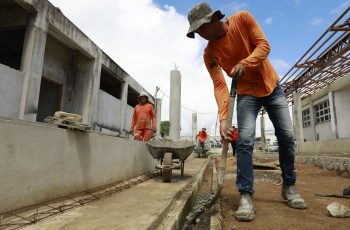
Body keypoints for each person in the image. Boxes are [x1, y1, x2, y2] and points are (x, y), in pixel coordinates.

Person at [186, 2, 306, 222]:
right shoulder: (210, 53)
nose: (201, 35)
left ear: (214, 19)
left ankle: (289, 186)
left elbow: (263, 46)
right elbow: (220, 85)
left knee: (287, 136)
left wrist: (245, 63)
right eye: (196, 32)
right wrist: (224, 118)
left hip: (271, 87)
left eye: (202, 28)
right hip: (245, 94)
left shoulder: (243, 19)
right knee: (244, 141)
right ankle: (245, 195)